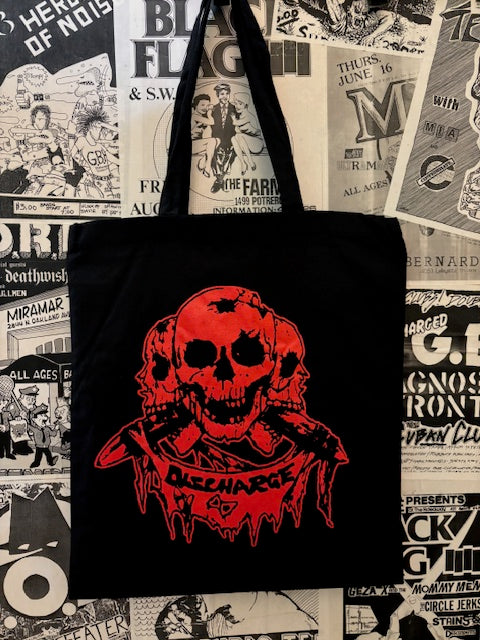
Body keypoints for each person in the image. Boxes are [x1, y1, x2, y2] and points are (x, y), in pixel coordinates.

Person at [210, 83, 237, 193]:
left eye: (227, 93)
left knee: (229, 154)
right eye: (222, 94)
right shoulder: (213, 109)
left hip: (231, 140)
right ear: (217, 95)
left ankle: (218, 181)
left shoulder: (235, 108)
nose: (225, 96)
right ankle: (220, 180)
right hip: (217, 140)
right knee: (215, 155)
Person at [231, 92, 264, 175]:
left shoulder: (248, 116)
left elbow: (236, 123)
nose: (237, 106)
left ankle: (250, 161)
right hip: (246, 144)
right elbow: (237, 130)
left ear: (245, 105)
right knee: (233, 138)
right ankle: (243, 163)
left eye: (240, 104)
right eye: (236, 103)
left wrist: (233, 118)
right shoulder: (240, 116)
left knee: (240, 136)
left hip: (257, 144)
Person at [191, 94, 217, 178]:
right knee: (212, 141)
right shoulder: (194, 116)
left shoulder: (202, 117)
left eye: (207, 105)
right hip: (190, 146)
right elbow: (212, 122)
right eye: (202, 105)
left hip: (197, 145)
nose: (205, 108)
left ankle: (203, 161)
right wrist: (209, 113)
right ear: (196, 105)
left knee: (217, 140)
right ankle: (207, 167)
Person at [28, 403, 58, 468]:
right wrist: (24, 418)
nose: (45, 417)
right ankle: (36, 464)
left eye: (44, 415)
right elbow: (27, 425)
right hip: (39, 446)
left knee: (48, 455)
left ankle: (51, 462)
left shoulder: (47, 429)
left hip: (46, 446)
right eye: (41, 415)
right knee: (38, 457)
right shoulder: (35, 429)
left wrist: (56, 428)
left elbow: (53, 434)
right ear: (34, 420)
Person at [0, 395, 16, 459]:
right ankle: (1, 454)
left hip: (7, 431)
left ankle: (8, 454)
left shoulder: (7, 413)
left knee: (7, 442)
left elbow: (11, 421)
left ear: (4, 404)